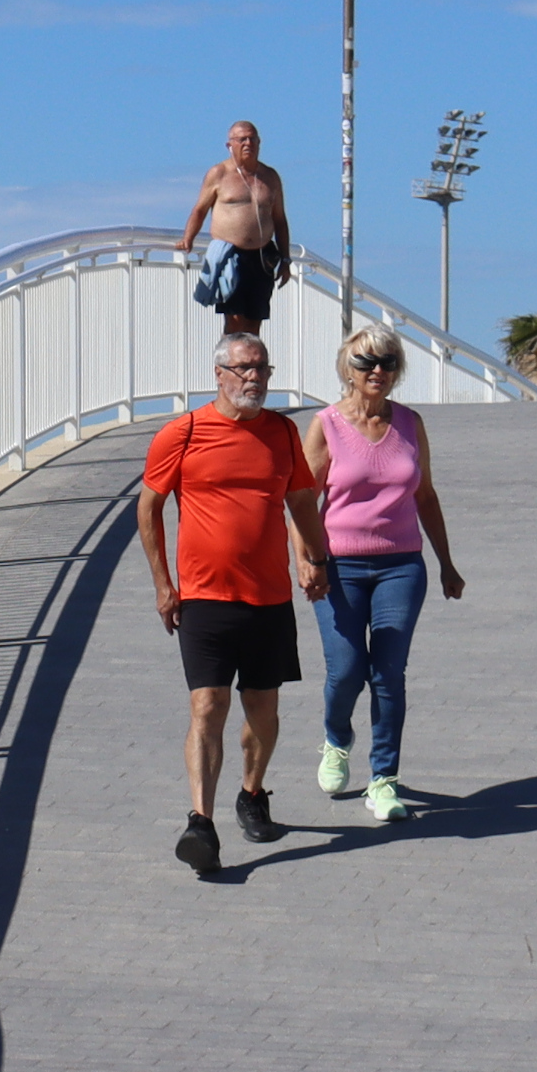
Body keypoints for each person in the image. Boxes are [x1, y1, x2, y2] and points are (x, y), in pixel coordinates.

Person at [139, 333, 333, 875]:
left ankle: (252, 793)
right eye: (245, 369)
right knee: (208, 706)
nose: (255, 379)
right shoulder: (184, 432)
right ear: (219, 373)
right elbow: (148, 508)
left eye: (263, 370)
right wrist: (163, 584)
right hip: (204, 596)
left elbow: (300, 499)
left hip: (268, 596)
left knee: (263, 710)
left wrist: (318, 560)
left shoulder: (282, 433)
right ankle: (200, 822)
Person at [302, 323, 469, 821]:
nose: (377, 371)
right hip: (340, 567)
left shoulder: (410, 424)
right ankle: (336, 739)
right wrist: (307, 561)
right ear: (347, 369)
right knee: (347, 669)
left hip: (401, 566)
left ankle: (383, 779)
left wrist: (446, 564)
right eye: (366, 363)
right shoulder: (327, 424)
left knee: (388, 673)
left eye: (388, 362)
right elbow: (301, 500)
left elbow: (426, 496)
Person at [181, 120, 290, 335]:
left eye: (252, 139)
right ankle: (230, 364)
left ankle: (250, 365)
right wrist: (188, 238)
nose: (248, 143)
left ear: (259, 143)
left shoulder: (270, 177)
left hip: (262, 256)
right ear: (230, 145)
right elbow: (200, 209)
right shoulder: (219, 174)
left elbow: (280, 220)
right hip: (232, 256)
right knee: (235, 319)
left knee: (255, 320)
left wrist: (285, 260)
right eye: (242, 139)